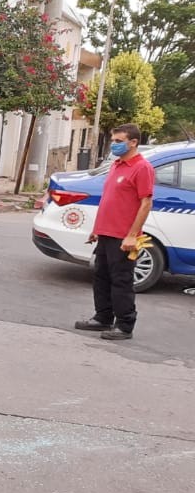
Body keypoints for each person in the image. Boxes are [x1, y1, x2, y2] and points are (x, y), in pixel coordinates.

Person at [73, 123, 154, 341]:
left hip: (123, 236)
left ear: (133, 142)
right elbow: (110, 200)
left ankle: (125, 325)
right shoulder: (117, 165)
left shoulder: (142, 168)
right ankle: (103, 317)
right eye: (113, 140)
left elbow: (145, 203)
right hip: (106, 233)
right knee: (101, 276)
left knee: (121, 280)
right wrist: (97, 229)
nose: (114, 145)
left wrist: (132, 235)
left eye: (119, 141)